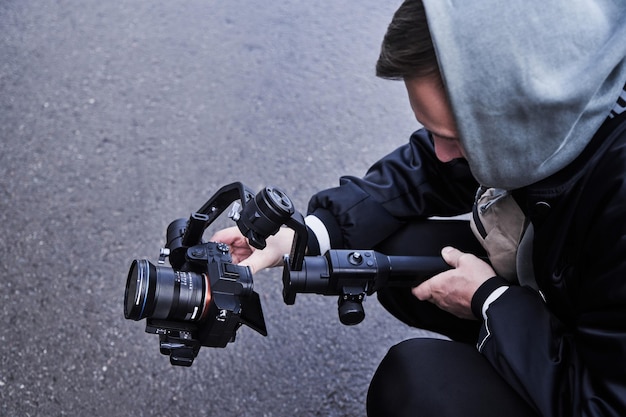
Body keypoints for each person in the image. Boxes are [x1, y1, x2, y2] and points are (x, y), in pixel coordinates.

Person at [211, 1, 626, 415]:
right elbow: (426, 169)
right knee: (392, 253)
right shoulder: (560, 90)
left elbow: (605, 403)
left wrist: (492, 302)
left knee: (417, 387)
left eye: (455, 135)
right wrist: (302, 237)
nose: (442, 153)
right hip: (581, 313)